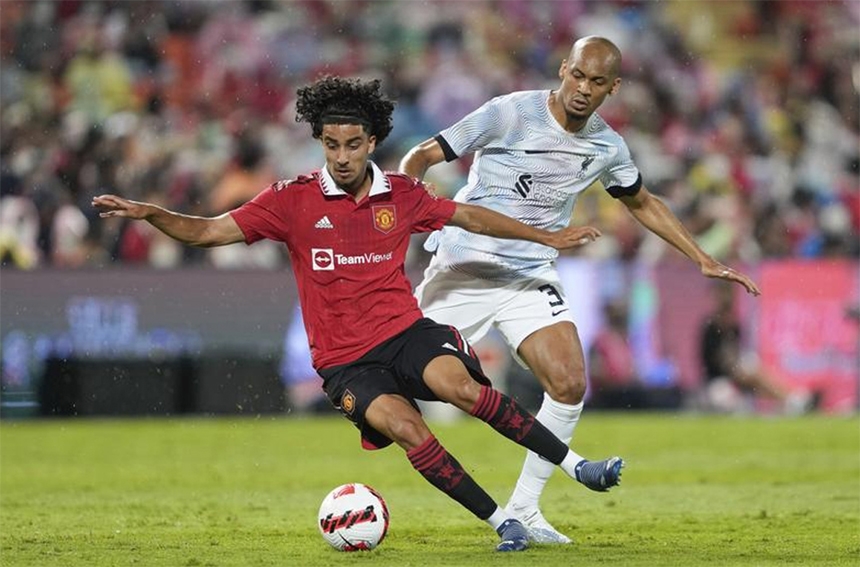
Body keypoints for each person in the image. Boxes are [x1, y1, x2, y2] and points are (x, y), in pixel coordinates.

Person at [93, 76, 622, 553]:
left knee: (463, 390)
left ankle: (578, 467)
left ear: (371, 143)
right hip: (346, 362)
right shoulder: (291, 201)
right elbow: (209, 231)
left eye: (352, 144)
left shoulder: (404, 194)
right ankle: (503, 520)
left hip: (406, 333)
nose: (341, 156)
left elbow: (471, 216)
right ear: (319, 143)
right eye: (330, 145)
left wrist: (544, 235)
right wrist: (152, 215)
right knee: (408, 427)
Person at [399, 36, 762, 543]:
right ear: (564, 69)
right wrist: (416, 189)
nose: (582, 89)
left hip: (528, 275)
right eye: (576, 76)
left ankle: (524, 510)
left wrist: (702, 258)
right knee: (394, 380)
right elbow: (421, 154)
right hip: (464, 266)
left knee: (569, 383)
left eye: (596, 83)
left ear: (612, 88)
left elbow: (641, 200)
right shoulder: (510, 112)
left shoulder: (606, 146)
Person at [700, 282, 812, 414]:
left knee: (753, 369)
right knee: (749, 376)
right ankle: (791, 398)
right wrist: (734, 370)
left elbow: (735, 357)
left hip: (735, 380)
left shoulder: (735, 325)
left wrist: (737, 370)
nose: (726, 299)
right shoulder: (711, 327)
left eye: (728, 294)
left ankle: (790, 399)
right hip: (718, 384)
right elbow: (712, 363)